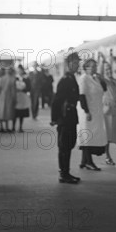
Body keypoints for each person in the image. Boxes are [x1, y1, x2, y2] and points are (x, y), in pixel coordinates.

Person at [51, 53, 81, 184]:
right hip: (65, 117)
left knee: (68, 145)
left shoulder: (71, 78)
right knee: (64, 146)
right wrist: (55, 118)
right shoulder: (65, 80)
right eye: (75, 63)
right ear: (68, 64)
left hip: (70, 116)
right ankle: (63, 174)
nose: (77, 65)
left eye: (77, 63)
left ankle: (66, 172)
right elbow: (57, 100)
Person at [77, 58, 107, 171]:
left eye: (95, 66)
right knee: (88, 136)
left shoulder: (95, 78)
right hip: (88, 112)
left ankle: (84, 161)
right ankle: (89, 162)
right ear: (86, 67)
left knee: (91, 135)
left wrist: (101, 78)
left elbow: (104, 89)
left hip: (97, 110)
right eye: (92, 66)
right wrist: (86, 111)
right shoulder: (84, 78)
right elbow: (82, 96)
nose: (94, 68)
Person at [0, 66, 16, 132]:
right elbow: (13, 91)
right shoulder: (12, 79)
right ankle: (6, 127)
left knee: (1, 112)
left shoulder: (1, 78)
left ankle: (1, 127)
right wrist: (14, 98)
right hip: (9, 97)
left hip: (1, 97)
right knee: (7, 113)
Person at [13, 65, 31, 133]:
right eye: (18, 70)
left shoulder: (26, 78)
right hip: (16, 97)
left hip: (23, 97)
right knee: (15, 112)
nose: (19, 71)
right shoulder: (15, 78)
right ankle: (13, 127)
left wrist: (23, 89)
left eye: (20, 70)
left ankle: (20, 127)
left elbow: (29, 87)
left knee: (22, 113)